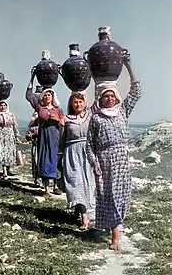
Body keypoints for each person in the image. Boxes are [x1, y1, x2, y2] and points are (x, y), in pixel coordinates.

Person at [86, 51, 141, 250]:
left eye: (112, 95)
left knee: (121, 195)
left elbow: (136, 91)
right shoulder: (96, 118)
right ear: (100, 100)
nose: (109, 98)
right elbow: (89, 145)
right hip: (104, 161)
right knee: (107, 196)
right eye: (105, 96)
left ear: (117, 98)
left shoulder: (123, 111)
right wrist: (95, 164)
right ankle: (115, 235)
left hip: (121, 160)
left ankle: (117, 228)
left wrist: (128, 65)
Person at [59, 91, 96, 230]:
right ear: (71, 104)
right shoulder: (66, 119)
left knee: (89, 184)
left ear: (84, 103)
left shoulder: (90, 117)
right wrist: (60, 157)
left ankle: (85, 211)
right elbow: (62, 141)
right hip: (72, 153)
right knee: (76, 184)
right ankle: (84, 217)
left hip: (88, 152)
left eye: (80, 101)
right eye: (75, 102)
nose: (78, 104)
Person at [26, 72, 64, 195]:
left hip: (55, 137)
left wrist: (58, 120)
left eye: (49, 95)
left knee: (54, 158)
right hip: (44, 137)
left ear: (53, 97)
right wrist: (32, 77)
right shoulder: (40, 108)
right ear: (42, 97)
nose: (47, 96)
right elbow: (29, 96)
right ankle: (46, 187)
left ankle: (54, 185)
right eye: (46, 95)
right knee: (44, 158)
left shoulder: (58, 109)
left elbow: (64, 121)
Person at [0, 100, 20, 180]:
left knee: (10, 152)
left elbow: (15, 125)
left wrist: (17, 136)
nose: (3, 107)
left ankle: (8, 170)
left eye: (4, 105)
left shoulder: (11, 115)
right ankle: (4, 171)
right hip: (1, 135)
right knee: (3, 152)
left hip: (10, 135)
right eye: (1, 105)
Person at [26, 111, 40, 185]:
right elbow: (27, 136)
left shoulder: (43, 125)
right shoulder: (31, 127)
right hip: (35, 145)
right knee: (35, 161)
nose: (36, 116)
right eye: (34, 115)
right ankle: (36, 179)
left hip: (43, 146)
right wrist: (33, 134)